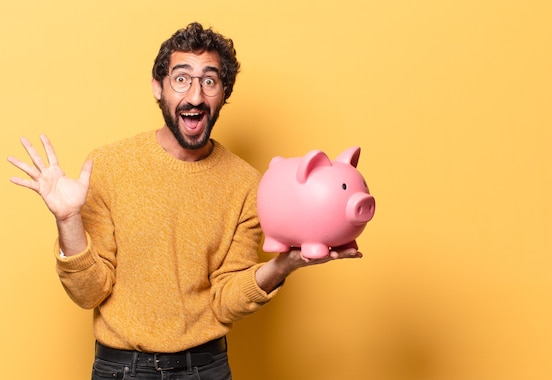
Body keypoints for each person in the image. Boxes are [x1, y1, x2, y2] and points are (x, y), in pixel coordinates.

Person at [7, 22, 361, 380]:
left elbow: (225, 302)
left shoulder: (246, 184)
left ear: (223, 93)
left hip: (205, 368)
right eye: (181, 79)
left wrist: (283, 265)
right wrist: (68, 220)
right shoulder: (110, 166)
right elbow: (89, 294)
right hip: (122, 369)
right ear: (157, 87)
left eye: (209, 81)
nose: (195, 96)